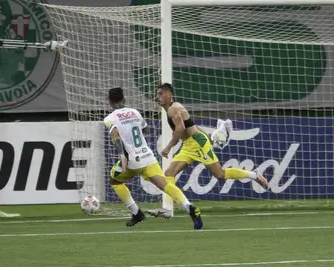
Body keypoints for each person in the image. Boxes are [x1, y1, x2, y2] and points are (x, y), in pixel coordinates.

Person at [147, 83, 269, 219]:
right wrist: (208, 137)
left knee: (220, 175)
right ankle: (168, 209)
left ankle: (254, 175)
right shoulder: (174, 108)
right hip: (189, 145)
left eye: (161, 94)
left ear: (169, 95)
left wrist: (169, 146)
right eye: (157, 94)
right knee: (169, 173)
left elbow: (180, 129)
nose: (158, 97)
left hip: (197, 144)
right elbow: (192, 125)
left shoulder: (173, 109)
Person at [104, 87, 203, 229]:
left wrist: (121, 155)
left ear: (110, 102)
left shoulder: (109, 118)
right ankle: (189, 207)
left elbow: (115, 136)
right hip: (148, 156)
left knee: (114, 181)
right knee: (166, 185)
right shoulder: (135, 112)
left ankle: (136, 213)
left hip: (132, 159)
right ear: (124, 99)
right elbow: (146, 129)